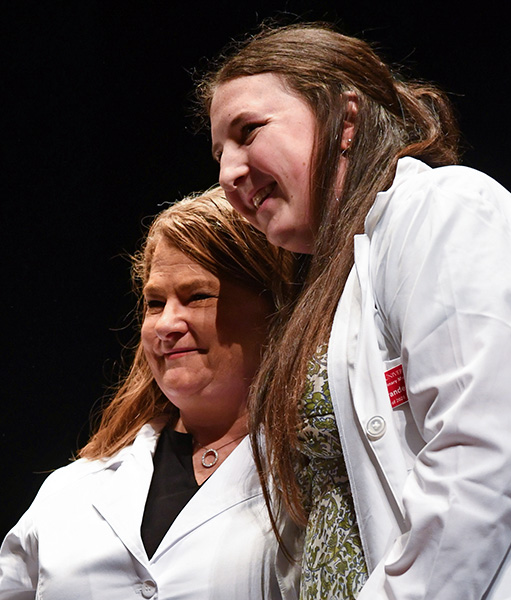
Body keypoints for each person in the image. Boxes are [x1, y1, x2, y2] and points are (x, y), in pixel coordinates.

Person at [202, 23, 511, 599]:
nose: (227, 173)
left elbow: (478, 457)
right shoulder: (331, 283)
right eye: (219, 153)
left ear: (347, 119)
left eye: (249, 132)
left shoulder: (441, 209)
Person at [0, 189, 300, 599]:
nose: (166, 325)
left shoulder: (309, 480)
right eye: (155, 303)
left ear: (276, 307)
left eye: (197, 296)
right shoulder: (72, 492)